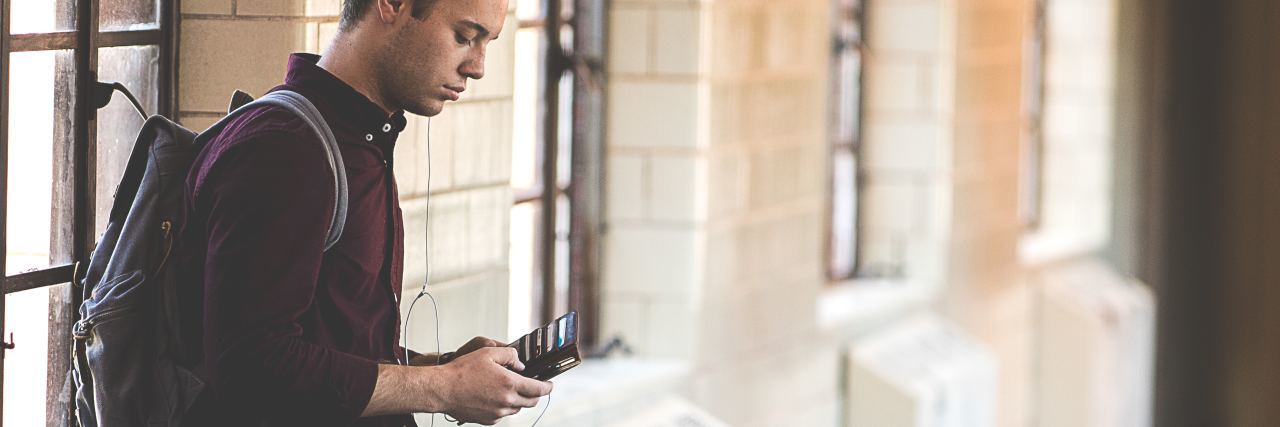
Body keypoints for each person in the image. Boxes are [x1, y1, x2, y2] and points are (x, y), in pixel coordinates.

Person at [176, 0, 551, 425]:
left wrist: (445, 370)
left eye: (487, 43)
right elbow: (250, 366)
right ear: (391, 6)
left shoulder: (358, 140)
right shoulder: (286, 149)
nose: (477, 67)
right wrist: (444, 388)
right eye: (464, 37)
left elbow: (338, 348)